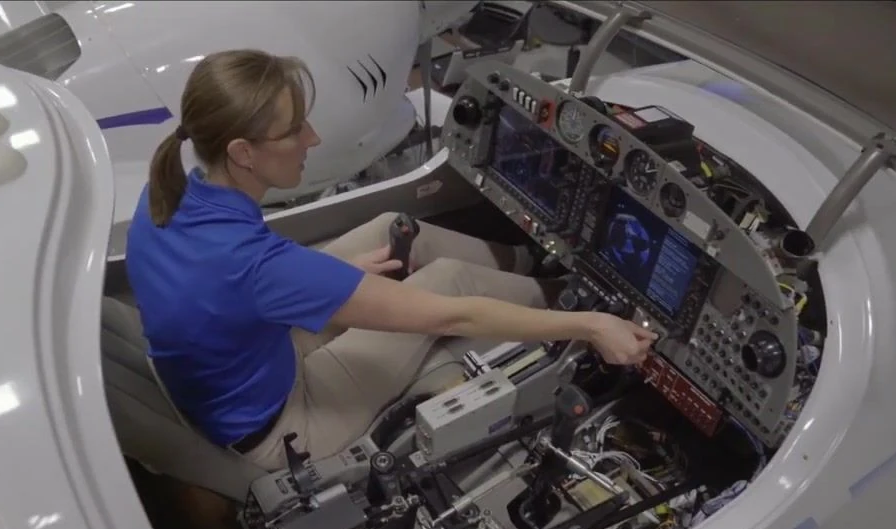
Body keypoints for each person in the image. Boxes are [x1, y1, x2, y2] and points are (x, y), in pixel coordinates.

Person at [126, 49, 657, 472]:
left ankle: (528, 259)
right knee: (448, 284)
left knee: (390, 228)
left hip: (239, 362)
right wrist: (592, 326)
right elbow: (455, 317)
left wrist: (334, 285)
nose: (312, 138)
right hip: (286, 424)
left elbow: (239, 286)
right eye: (293, 130)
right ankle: (568, 299)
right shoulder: (259, 265)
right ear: (243, 152)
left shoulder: (165, 192)